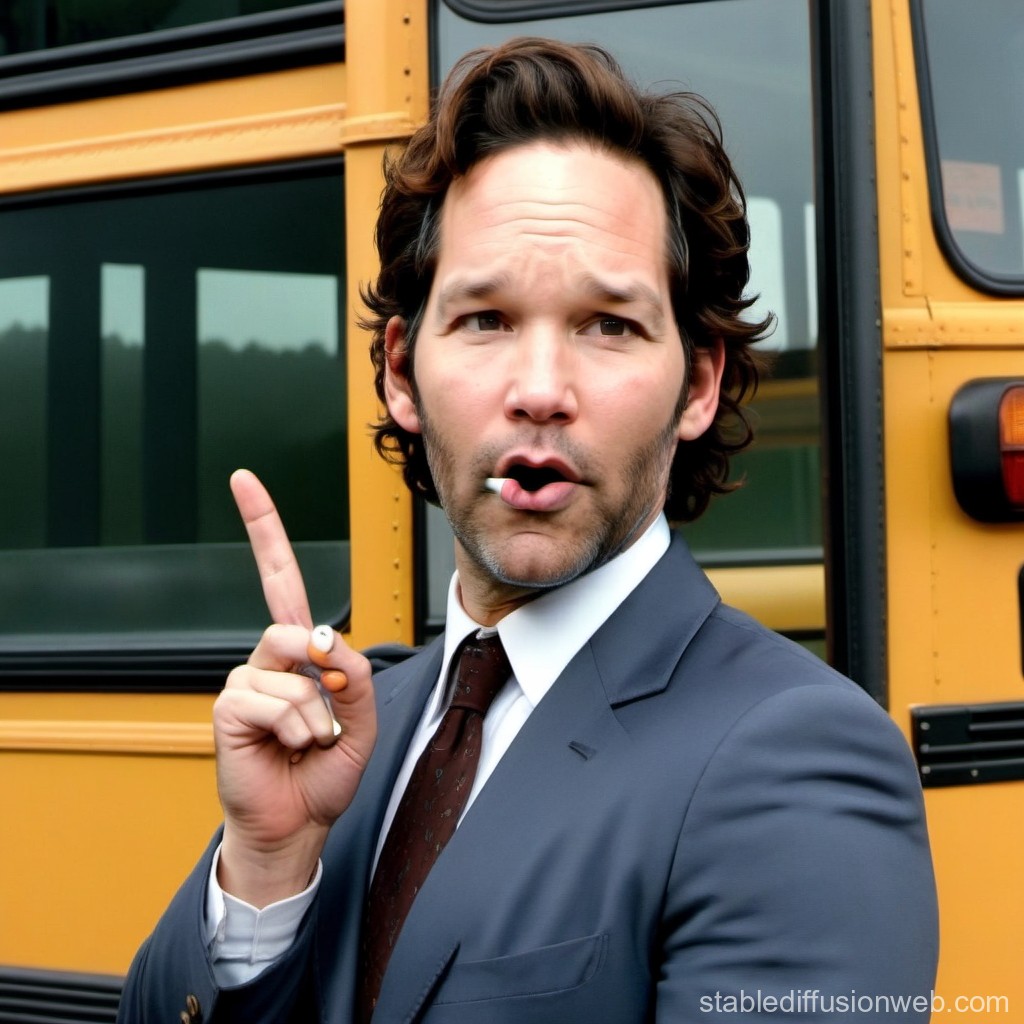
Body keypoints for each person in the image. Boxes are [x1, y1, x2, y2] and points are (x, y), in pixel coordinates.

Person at [117, 38, 938, 1024]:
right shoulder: (353, 730)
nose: (541, 391)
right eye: (485, 319)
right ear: (400, 371)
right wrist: (265, 864)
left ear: (700, 381)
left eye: (608, 325)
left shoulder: (800, 758)